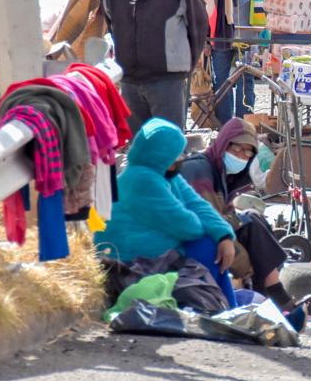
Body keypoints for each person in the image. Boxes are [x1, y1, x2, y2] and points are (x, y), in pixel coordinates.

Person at [94, 118, 238, 308]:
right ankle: (221, 306)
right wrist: (209, 229)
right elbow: (189, 227)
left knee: (214, 242)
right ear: (160, 155)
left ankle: (226, 305)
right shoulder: (142, 180)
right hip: (129, 262)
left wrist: (224, 235)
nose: (180, 159)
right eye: (176, 155)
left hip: (155, 254)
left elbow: (198, 205)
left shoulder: (164, 174)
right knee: (206, 246)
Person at [100, 0, 209, 133]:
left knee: (168, 145)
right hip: (129, 81)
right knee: (137, 146)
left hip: (167, 81)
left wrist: (184, 65)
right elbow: (111, 23)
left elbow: (197, 23)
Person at [178, 118, 297, 308]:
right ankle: (276, 296)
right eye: (237, 148)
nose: (242, 155)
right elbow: (209, 222)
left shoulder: (221, 175)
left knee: (253, 219)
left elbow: (224, 216)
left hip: (206, 233)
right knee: (251, 225)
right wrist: (245, 268)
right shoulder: (199, 169)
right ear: (224, 143)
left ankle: (268, 296)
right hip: (188, 242)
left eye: (248, 151)